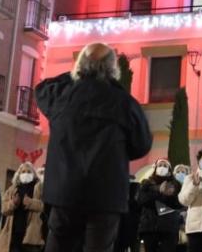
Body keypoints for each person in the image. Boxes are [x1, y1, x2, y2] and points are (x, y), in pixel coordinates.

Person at [36, 42, 152, 252]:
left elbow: (42, 88)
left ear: (80, 65)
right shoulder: (125, 103)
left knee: (59, 245)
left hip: (65, 190)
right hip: (105, 194)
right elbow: (142, 145)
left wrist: (77, 74)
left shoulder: (60, 95)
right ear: (112, 68)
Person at [137, 159, 184, 252]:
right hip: (149, 227)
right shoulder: (146, 183)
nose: (162, 167)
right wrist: (159, 191)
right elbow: (141, 200)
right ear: (155, 168)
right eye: (160, 165)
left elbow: (179, 204)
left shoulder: (176, 185)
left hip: (169, 228)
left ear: (169, 170)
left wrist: (169, 196)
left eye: (165, 166)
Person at [0, 161, 45, 252]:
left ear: (34, 174)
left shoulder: (40, 187)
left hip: (32, 237)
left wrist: (31, 203)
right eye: (23, 172)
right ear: (18, 174)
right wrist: (13, 203)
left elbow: (46, 206)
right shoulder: (12, 189)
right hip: (13, 235)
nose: (26, 174)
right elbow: (3, 209)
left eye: (29, 172)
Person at [173, 165, 192, 252]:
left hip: (188, 224)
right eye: (178, 172)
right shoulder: (171, 187)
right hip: (173, 224)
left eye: (183, 172)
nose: (180, 174)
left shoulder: (190, 187)